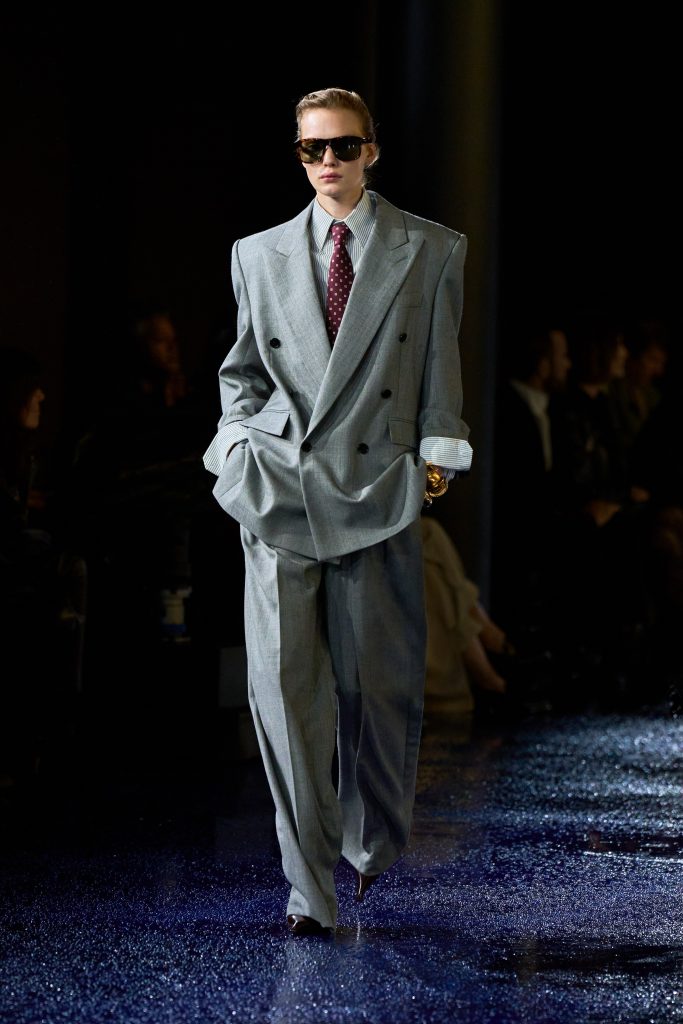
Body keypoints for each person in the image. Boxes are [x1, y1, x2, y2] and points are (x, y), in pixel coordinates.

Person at [203, 87, 472, 936]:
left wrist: (433, 465)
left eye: (343, 146)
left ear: (372, 151)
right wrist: (233, 447)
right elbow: (242, 371)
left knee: (376, 694)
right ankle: (307, 891)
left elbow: (440, 370)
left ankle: (367, 845)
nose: (327, 162)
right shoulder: (257, 253)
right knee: (285, 702)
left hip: (375, 493)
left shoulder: (430, 248)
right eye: (311, 149)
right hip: (277, 491)